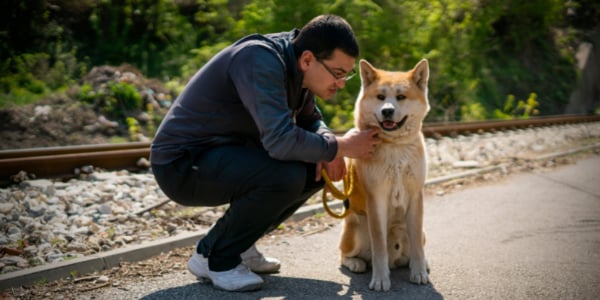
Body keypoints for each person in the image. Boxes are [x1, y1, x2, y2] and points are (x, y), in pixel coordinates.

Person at [150, 14, 381, 292]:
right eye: (338, 73)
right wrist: (341, 146)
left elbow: (311, 121)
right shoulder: (259, 59)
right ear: (308, 60)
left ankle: (240, 244)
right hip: (184, 164)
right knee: (286, 175)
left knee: (314, 169)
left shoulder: (297, 66)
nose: (342, 83)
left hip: (225, 156)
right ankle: (214, 258)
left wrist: (329, 144)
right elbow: (280, 141)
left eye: (347, 74)